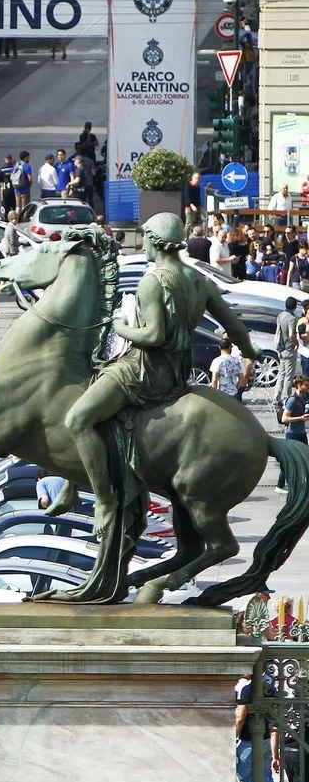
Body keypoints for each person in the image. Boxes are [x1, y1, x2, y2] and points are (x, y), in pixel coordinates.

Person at [65, 213, 254, 541]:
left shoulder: (153, 281)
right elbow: (233, 324)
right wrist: (250, 351)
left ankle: (105, 501)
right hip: (178, 373)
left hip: (143, 371)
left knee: (77, 419)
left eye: (146, 238)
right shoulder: (199, 279)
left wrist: (119, 325)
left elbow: (152, 336)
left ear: (154, 241)